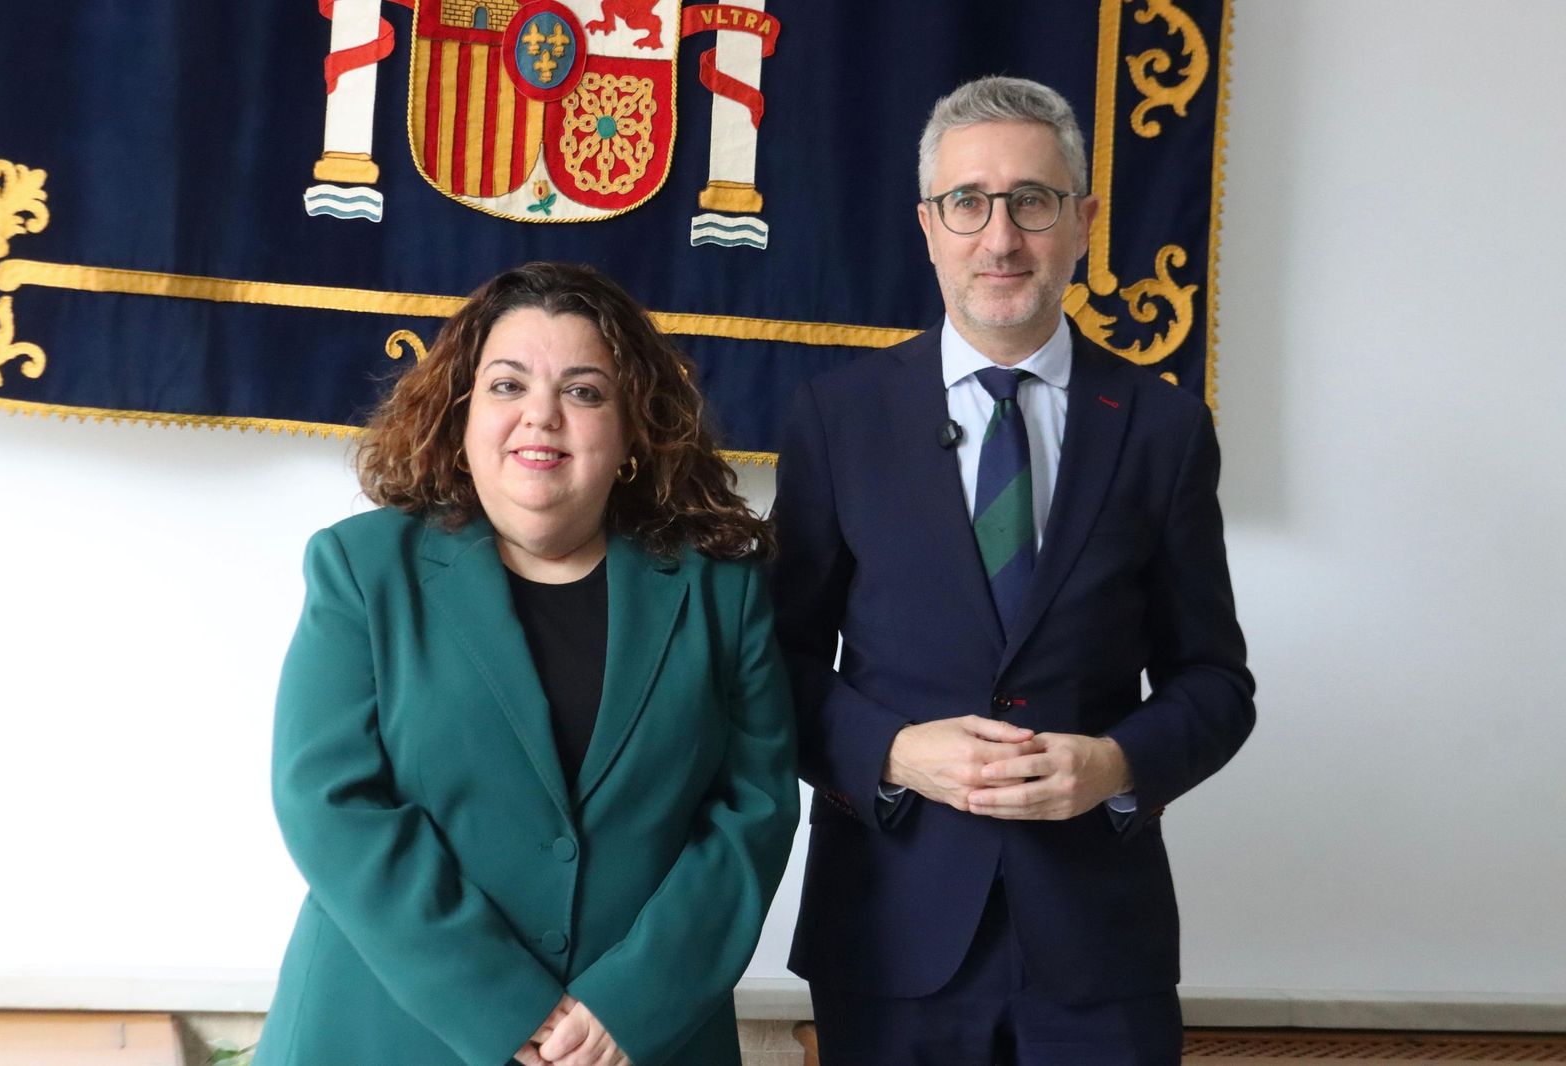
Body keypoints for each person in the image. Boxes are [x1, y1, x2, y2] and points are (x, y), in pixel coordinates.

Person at [771, 76, 1256, 1064]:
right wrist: (896, 751)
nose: (1000, 238)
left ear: (1081, 221)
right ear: (927, 224)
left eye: (1031, 202)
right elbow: (767, 668)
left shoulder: (1163, 428)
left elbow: (1215, 683)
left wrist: (1116, 763)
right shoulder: (836, 417)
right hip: (887, 930)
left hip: (1098, 943)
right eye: (968, 202)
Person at [257, 261, 799, 1066]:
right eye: (508, 386)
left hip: (639, 1044)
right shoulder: (362, 570)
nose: (540, 417)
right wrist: (508, 1005)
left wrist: (630, 1006)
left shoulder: (722, 591)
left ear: (629, 431)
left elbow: (752, 814)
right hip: (389, 1034)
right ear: (463, 414)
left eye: (583, 392)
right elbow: (329, 804)